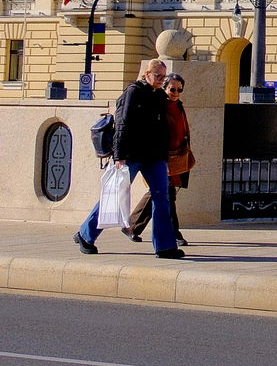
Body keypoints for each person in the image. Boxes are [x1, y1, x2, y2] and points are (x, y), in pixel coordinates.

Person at [74, 58, 184, 259]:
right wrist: (119, 156)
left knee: (162, 198)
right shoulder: (133, 92)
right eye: (157, 75)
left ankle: (164, 246)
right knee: (114, 196)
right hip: (131, 155)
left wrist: (165, 159)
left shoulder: (160, 96)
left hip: (155, 156)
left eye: (163, 76)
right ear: (146, 74)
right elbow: (122, 125)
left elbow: (161, 130)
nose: (160, 80)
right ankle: (85, 235)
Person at [127, 72, 194, 246]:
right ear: (164, 88)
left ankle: (132, 226)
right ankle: (173, 234)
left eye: (179, 89)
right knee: (167, 194)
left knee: (161, 193)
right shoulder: (159, 105)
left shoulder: (178, 105)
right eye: (172, 88)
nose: (176, 92)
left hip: (176, 156)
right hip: (161, 157)